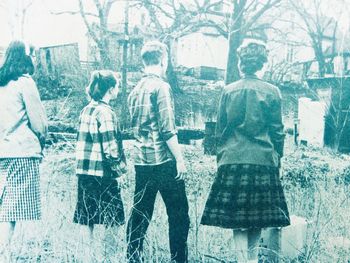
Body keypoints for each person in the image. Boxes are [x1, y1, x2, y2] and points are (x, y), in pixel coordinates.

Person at [201, 39, 290, 262]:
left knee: (238, 220)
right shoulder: (272, 92)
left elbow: (220, 130)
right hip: (262, 160)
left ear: (242, 64)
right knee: (257, 218)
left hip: (232, 160)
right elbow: (278, 132)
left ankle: (244, 261)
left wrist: (221, 157)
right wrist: (278, 157)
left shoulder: (228, 91)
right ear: (263, 64)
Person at [127, 41, 190, 263]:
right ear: (163, 60)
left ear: (144, 62)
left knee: (140, 214)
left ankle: (133, 256)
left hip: (142, 161)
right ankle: (178, 259)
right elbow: (167, 129)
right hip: (163, 161)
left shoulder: (135, 91)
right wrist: (180, 159)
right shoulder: (161, 88)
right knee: (179, 214)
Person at [0, 40, 48, 261]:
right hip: (22, 151)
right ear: (26, 58)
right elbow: (38, 122)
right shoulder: (25, 83)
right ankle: (7, 252)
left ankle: (8, 252)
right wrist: (42, 140)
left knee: (6, 204)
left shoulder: (2, 84)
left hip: (3, 151)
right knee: (17, 209)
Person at [73, 70, 126, 258]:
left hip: (84, 172)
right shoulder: (106, 112)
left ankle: (86, 258)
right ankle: (109, 258)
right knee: (114, 218)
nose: (118, 90)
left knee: (86, 217)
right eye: (117, 86)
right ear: (111, 89)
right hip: (103, 174)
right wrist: (119, 172)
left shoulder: (85, 110)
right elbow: (111, 148)